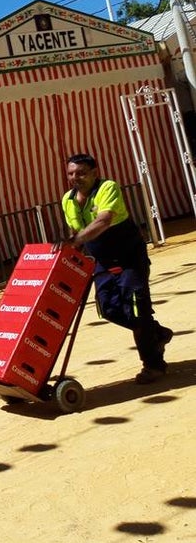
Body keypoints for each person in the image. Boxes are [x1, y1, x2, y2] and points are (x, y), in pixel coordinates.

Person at [61, 152, 173, 384]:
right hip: (101, 260)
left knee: (136, 308)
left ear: (94, 172)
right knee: (109, 309)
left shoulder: (107, 188)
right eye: (71, 173)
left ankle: (153, 365)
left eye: (81, 173)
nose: (75, 177)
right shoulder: (67, 200)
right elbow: (76, 232)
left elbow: (103, 220)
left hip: (129, 257)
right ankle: (157, 333)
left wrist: (77, 240)